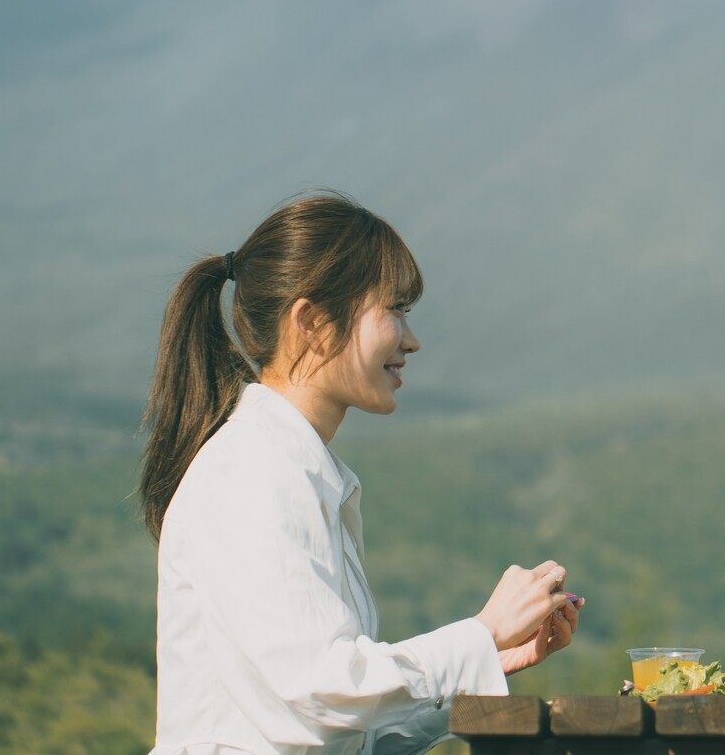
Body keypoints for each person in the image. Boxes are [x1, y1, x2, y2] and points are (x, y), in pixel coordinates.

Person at [138, 193, 582, 755]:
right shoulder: (252, 472)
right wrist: (481, 632)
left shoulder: (296, 471)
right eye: (394, 309)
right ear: (314, 323)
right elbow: (324, 692)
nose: (411, 339)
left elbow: (337, 734)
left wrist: (479, 666)